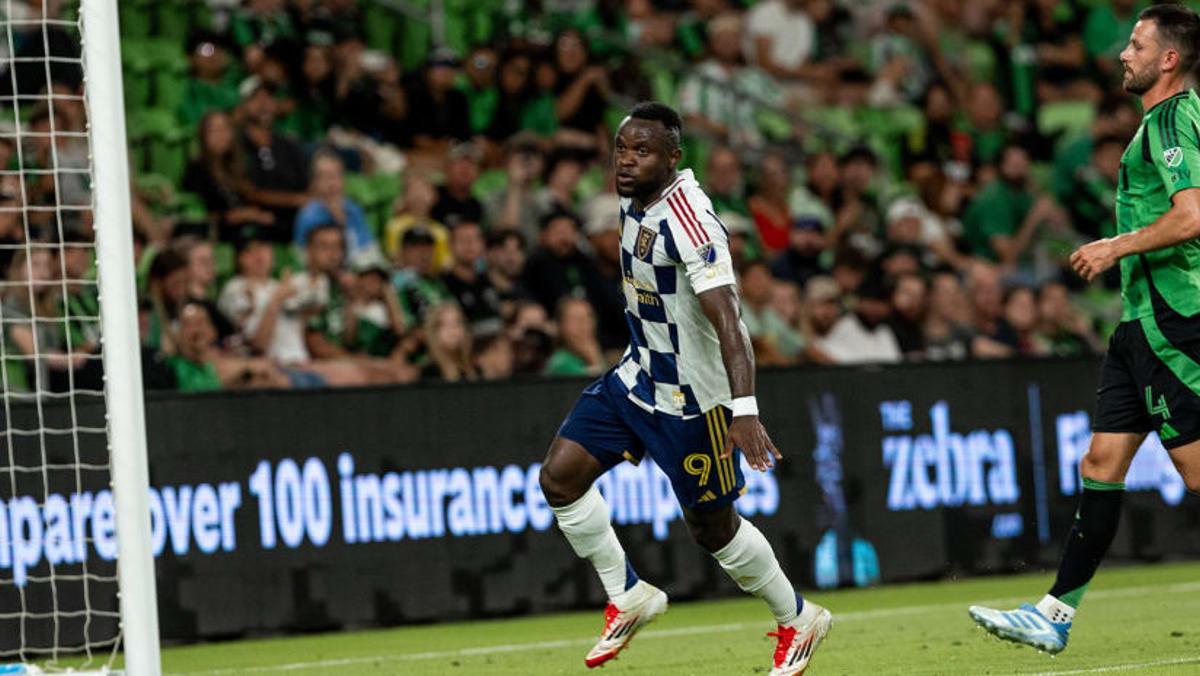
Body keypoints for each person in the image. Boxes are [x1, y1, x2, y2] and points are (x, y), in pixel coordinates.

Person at [537, 102, 831, 675]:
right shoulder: (630, 197)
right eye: (622, 149)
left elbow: (729, 321)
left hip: (694, 401)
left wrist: (743, 411)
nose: (626, 161)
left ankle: (798, 617)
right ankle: (628, 594)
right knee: (559, 477)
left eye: (641, 152)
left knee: (712, 530)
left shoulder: (690, 221)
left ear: (674, 158)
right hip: (638, 375)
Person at [969, 5, 1200, 655]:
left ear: (1169, 60)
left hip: (1172, 320)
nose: (1123, 54)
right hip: (1139, 327)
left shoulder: (1175, 118)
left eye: (1137, 44)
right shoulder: (1156, 123)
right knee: (1099, 462)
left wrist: (1115, 246)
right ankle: (1055, 612)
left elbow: (1191, 217)